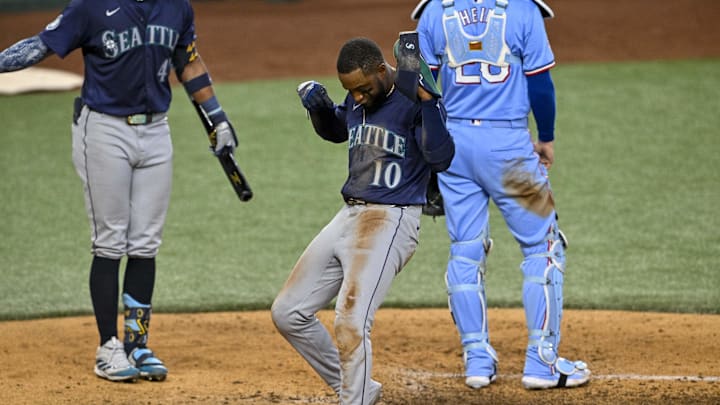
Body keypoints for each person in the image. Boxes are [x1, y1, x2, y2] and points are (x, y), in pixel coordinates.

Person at [0, 0, 237, 383]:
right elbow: (40, 45)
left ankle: (137, 343)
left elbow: (188, 61)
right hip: (104, 130)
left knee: (145, 243)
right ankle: (108, 347)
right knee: (110, 241)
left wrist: (218, 118)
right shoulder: (90, 8)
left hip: (157, 131)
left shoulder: (177, 7)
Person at [413, 0, 591, 390]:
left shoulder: (432, 12)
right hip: (510, 152)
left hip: (455, 149)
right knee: (544, 247)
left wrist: (429, 146)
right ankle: (542, 363)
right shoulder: (523, 10)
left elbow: (420, 87)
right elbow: (540, 82)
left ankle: (476, 359)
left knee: (465, 248)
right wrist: (545, 137)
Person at [271, 36, 454, 404]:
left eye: (362, 88)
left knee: (351, 321)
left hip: (392, 219)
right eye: (349, 91)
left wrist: (428, 101)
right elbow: (339, 129)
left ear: (382, 70)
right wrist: (321, 109)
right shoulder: (359, 101)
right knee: (288, 312)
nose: (356, 97)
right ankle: (359, 390)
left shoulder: (412, 101)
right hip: (348, 215)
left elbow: (441, 156)